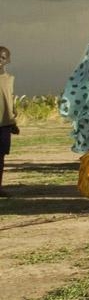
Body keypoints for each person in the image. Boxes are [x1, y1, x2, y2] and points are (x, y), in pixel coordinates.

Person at [0, 46, 18, 197]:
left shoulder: (10, 79)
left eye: (3, 57)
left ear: (8, 60)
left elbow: (10, 98)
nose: (0, 60)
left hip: (5, 124)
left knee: (1, 157)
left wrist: (13, 122)